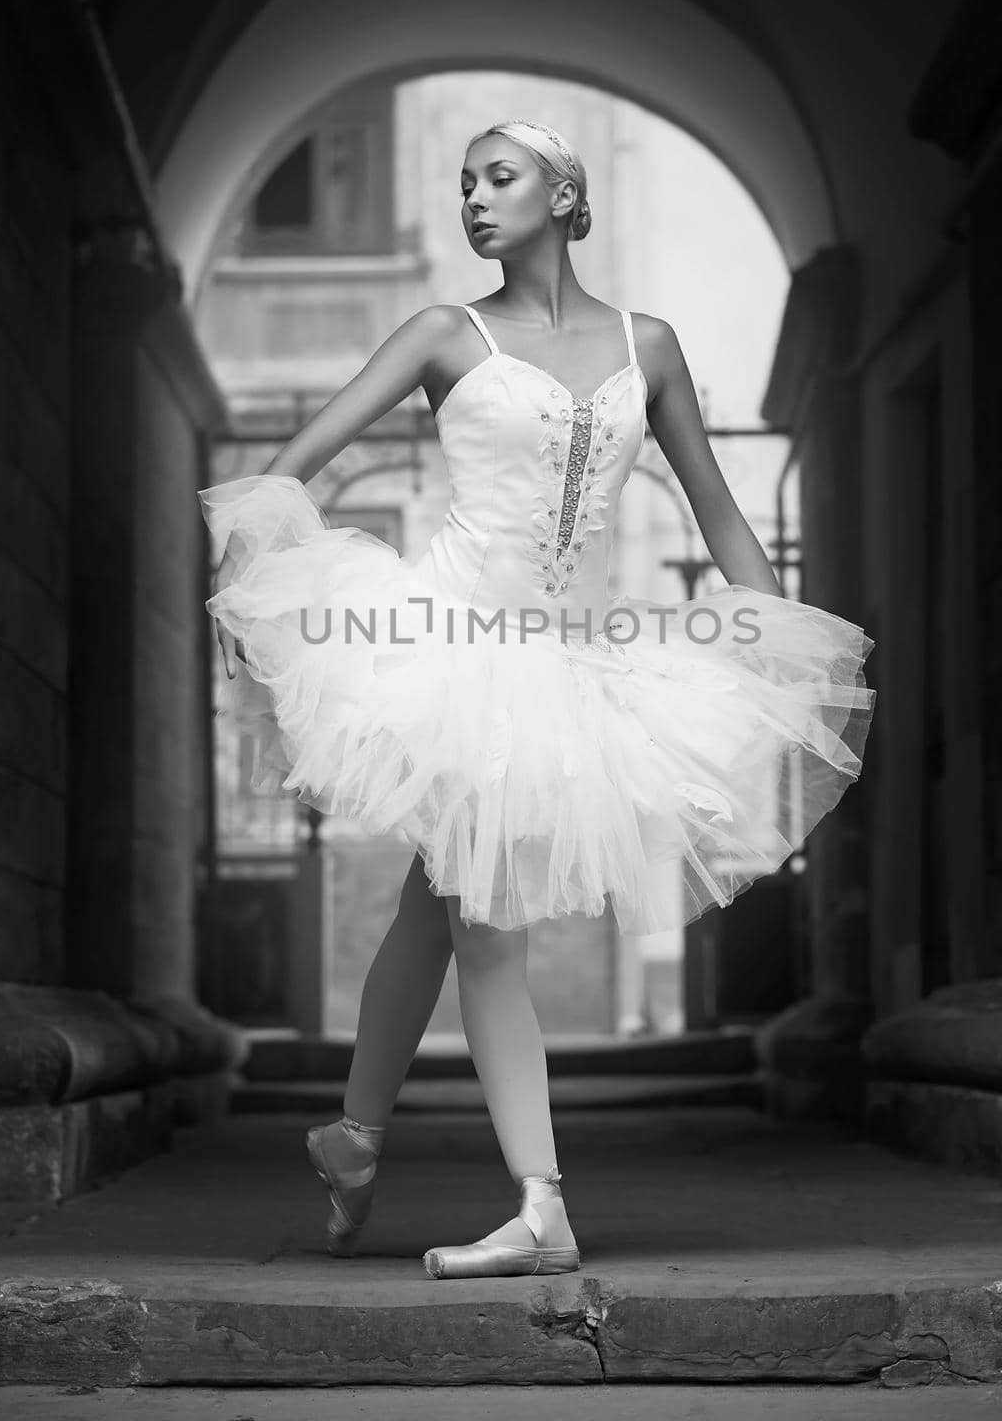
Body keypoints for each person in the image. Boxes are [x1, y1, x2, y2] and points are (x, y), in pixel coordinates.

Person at [199, 118, 876, 1280]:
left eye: (498, 178)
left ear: (566, 195)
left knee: (436, 901)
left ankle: (353, 1141)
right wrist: (274, 572)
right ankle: (542, 1203)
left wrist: (781, 641)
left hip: (580, 667)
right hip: (451, 652)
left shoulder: (646, 344)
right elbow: (285, 465)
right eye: (463, 184)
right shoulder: (439, 335)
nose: (473, 199)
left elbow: (717, 514)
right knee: (486, 925)